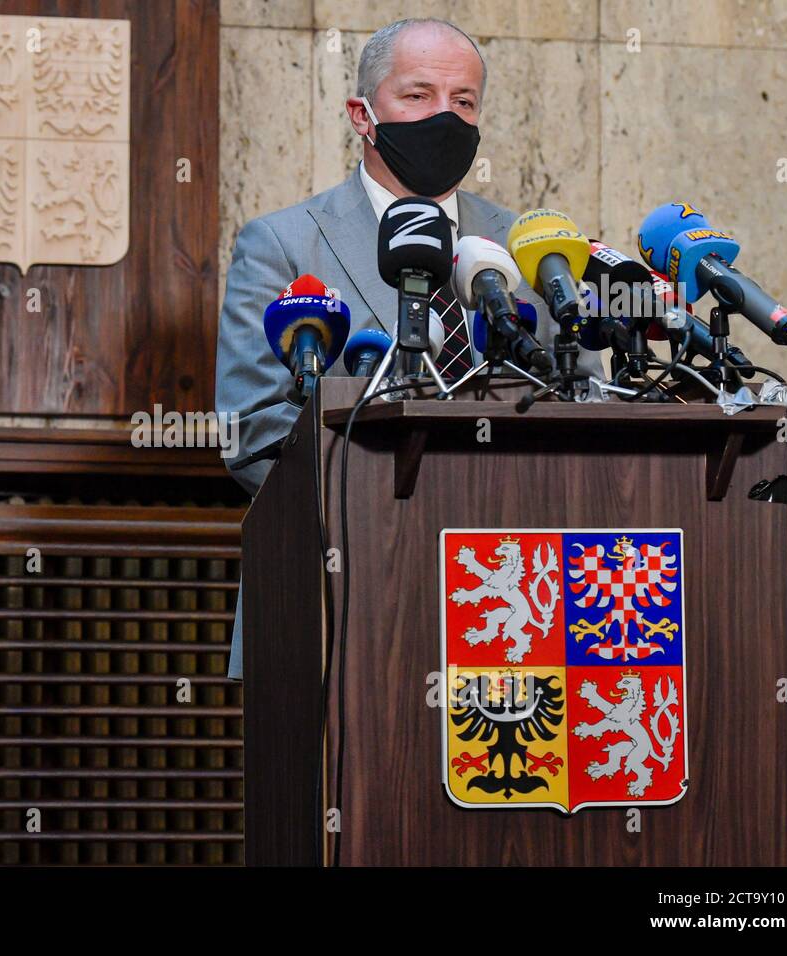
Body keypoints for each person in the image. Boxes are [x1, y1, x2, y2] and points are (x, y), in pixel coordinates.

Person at [215, 19, 600, 680]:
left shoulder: (532, 245)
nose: (444, 117)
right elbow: (252, 432)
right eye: (419, 96)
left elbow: (587, 403)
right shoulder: (282, 244)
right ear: (363, 114)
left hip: (519, 605)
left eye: (464, 102)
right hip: (343, 595)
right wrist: (413, 518)